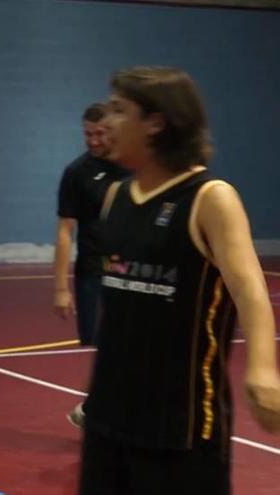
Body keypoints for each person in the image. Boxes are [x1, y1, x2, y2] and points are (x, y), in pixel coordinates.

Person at [79, 66, 280, 495]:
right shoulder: (116, 197)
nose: (105, 122)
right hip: (107, 416)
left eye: (119, 110)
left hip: (181, 424)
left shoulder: (210, 198)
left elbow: (250, 290)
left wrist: (263, 369)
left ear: (156, 121)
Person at [54, 102, 129, 427]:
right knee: (103, 347)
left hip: (130, 272)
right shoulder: (76, 173)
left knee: (124, 346)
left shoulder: (134, 168)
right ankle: (96, 410)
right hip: (92, 275)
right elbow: (65, 232)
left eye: (101, 133)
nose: (94, 140)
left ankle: (95, 410)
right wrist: (60, 288)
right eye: (88, 134)